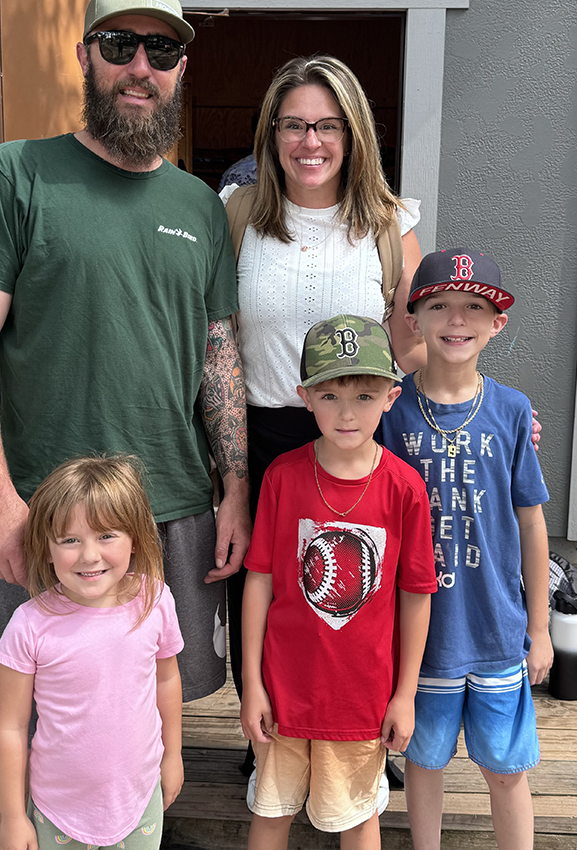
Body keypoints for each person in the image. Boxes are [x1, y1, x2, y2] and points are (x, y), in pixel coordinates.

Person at [0, 0, 250, 708]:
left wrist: (234, 491)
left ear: (180, 69)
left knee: (158, 705)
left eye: (162, 50)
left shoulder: (200, 207)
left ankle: (138, 827)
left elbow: (219, 359)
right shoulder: (16, 175)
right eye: (121, 44)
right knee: (43, 712)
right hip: (49, 512)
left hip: (170, 506)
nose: (141, 67)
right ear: (85, 56)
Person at [221, 54, 426, 710]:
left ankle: (365, 722)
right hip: (263, 430)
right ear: (270, 135)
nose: (311, 142)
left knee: (359, 581)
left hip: (356, 432)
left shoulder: (393, 224)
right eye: (293, 125)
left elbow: (418, 344)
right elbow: (212, 337)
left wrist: (481, 405)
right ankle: (268, 727)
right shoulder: (238, 214)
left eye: (329, 125)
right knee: (265, 586)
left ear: (355, 132)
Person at [378, 249, 553, 850]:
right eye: (440, 306)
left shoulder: (509, 411)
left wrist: (540, 625)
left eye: (474, 307)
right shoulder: (390, 411)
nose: (457, 319)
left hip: (497, 627)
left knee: (506, 769)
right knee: (425, 763)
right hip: (422, 636)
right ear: (413, 317)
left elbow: (532, 525)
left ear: (497, 323)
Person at [241, 315, 437, 850]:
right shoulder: (282, 476)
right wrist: (254, 684)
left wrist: (405, 694)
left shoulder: (403, 488)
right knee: (270, 809)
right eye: (329, 396)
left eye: (364, 395)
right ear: (304, 397)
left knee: (356, 818)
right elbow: (257, 581)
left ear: (391, 397)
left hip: (361, 695)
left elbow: (416, 595)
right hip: (284, 689)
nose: (346, 413)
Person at [0, 455, 183, 850]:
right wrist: (12, 818)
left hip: (140, 802)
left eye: (107, 535)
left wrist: (173, 756)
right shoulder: (28, 625)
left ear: (135, 539)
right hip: (58, 812)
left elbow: (168, 680)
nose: (89, 555)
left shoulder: (155, 600)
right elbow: (10, 729)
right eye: (70, 540)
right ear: (45, 548)